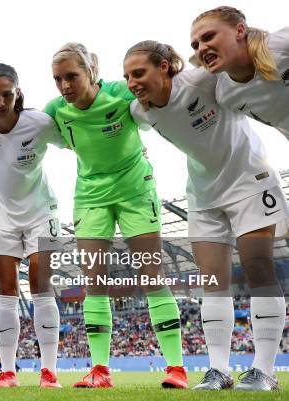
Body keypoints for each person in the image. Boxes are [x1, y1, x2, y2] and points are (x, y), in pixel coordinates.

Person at [124, 40, 287, 391]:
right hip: (203, 194)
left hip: (249, 180)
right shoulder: (140, 112)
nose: (132, 83)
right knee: (212, 281)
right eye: (127, 77)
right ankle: (218, 371)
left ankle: (264, 372)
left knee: (259, 268)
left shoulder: (204, 81)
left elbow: (248, 74)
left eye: (139, 73)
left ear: (165, 66)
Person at [45, 42, 187, 389]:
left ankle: (177, 368)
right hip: (90, 197)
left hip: (135, 192)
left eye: (72, 77)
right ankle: (100, 370)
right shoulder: (56, 111)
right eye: (58, 79)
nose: (65, 86)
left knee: (152, 275)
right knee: (95, 282)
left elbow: (161, 100)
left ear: (91, 72)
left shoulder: (121, 93)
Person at [0, 63, 64, 388]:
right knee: (5, 292)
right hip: (0, 219)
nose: (1, 102)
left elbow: (79, 143)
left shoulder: (40, 123)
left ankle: (49, 373)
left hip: (41, 215)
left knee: (41, 289)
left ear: (17, 93)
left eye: (7, 95)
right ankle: (8, 372)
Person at [191, 6, 289, 139]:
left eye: (208, 37)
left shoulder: (282, 45)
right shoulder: (226, 97)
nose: (201, 49)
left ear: (240, 30)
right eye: (195, 46)